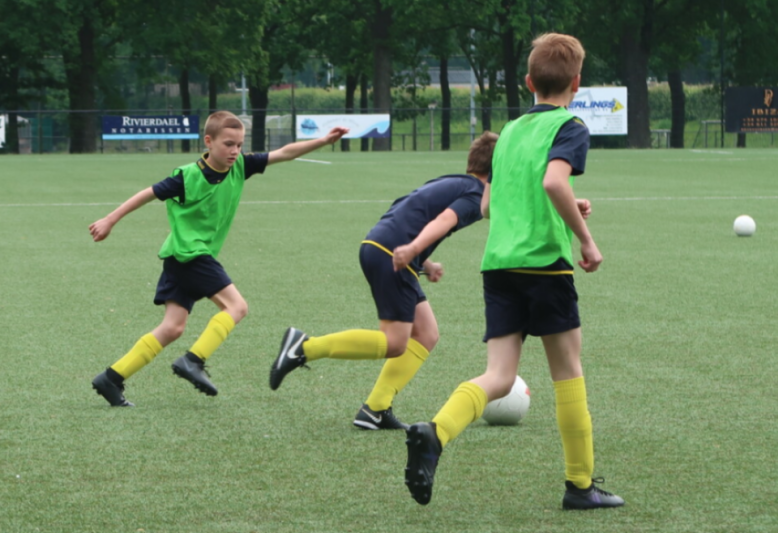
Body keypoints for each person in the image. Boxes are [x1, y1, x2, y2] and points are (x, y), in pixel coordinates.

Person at [402, 33, 624, 510]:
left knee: (499, 376)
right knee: (568, 373)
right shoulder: (570, 125)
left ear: (528, 82)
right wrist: (586, 239)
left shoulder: (509, 132)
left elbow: (487, 206)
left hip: (499, 265)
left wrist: (567, 205)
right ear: (577, 83)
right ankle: (580, 486)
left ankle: (435, 433)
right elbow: (553, 182)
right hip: (544, 265)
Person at [90, 110, 347, 407]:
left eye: (239, 144)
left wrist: (323, 140)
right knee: (237, 306)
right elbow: (146, 194)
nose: (235, 151)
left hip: (179, 257)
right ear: (208, 141)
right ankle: (193, 360)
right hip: (190, 254)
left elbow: (285, 153)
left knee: (172, 328)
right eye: (228, 144)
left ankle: (111, 378)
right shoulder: (187, 176)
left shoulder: (240, 166)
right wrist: (110, 220)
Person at [268, 132, 499, 430]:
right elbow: (443, 220)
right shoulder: (476, 194)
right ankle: (304, 348)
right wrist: (413, 250)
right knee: (395, 343)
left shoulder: (452, 181)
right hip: (393, 253)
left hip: (380, 245)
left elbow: (406, 209)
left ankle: (375, 409)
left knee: (426, 333)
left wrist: (423, 260)